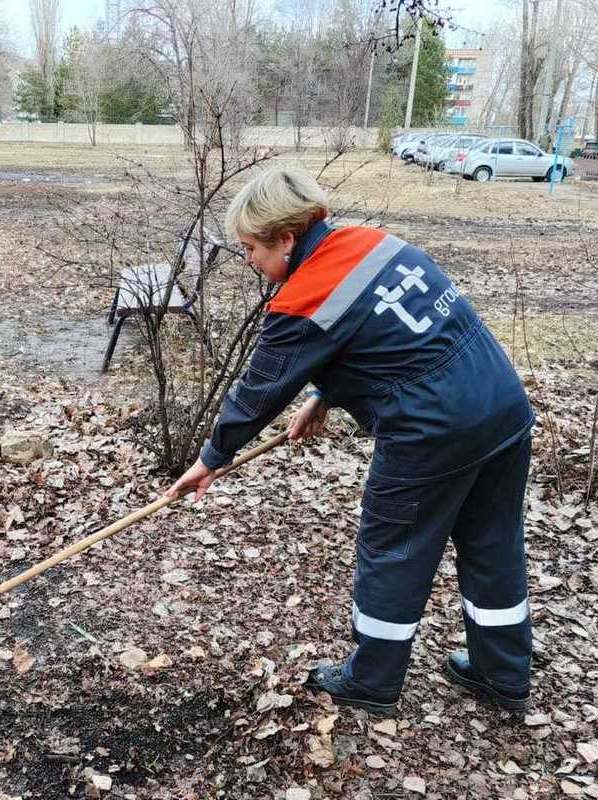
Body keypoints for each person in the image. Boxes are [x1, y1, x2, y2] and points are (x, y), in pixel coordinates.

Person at [166, 166, 534, 715]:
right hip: (502, 408)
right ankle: (501, 673)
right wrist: (325, 395)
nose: (249, 261)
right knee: (492, 543)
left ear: (286, 238)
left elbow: (257, 392)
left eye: (250, 249)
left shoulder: (305, 295)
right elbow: (392, 336)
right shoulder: (375, 244)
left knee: (393, 552)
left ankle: (372, 680)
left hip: (433, 431)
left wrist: (212, 458)